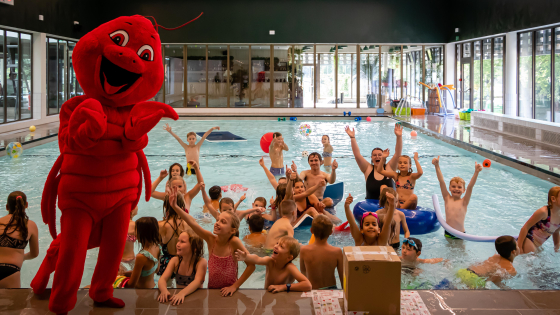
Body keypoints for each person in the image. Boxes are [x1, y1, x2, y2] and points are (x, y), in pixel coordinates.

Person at [168, 186, 256, 296]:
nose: (217, 223)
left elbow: (251, 266)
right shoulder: (211, 239)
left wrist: (234, 286)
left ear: (232, 230)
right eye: (217, 220)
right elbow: (192, 222)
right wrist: (175, 207)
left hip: (230, 292)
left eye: (223, 222)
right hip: (212, 289)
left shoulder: (234, 242)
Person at [235, 236, 312, 293]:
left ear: (289, 257)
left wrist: (283, 287)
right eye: (277, 243)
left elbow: (308, 285)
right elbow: (257, 259)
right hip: (267, 295)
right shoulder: (270, 262)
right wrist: (246, 257)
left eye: (281, 246)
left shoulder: (290, 268)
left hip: (284, 299)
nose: (275, 246)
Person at [345, 124, 403, 200]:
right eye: (374, 155)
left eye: (380, 155)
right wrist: (352, 138)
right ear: (371, 158)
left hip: (389, 206)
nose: (377, 157)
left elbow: (398, 154)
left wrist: (399, 137)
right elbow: (357, 155)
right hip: (370, 207)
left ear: (384, 156)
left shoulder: (390, 167)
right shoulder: (368, 169)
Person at [433, 156, 482, 240]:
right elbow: (441, 181)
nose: (456, 189)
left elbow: (470, 187)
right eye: (453, 186)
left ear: (463, 190)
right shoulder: (447, 198)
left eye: (459, 187)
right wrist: (437, 166)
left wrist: (476, 172)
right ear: (449, 188)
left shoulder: (464, 202)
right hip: (448, 232)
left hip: (460, 234)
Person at [0, 191, 39, 288]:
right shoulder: (30, 225)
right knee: (15, 302)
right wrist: (23, 257)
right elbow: (34, 254)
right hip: (11, 271)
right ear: (26, 205)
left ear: (7, 207)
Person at [157, 230, 207, 305]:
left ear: (194, 247)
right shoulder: (175, 261)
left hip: (196, 299)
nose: (177, 244)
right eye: (178, 241)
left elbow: (197, 282)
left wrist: (182, 293)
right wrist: (164, 290)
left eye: (182, 242)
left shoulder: (201, 262)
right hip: (178, 298)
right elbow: (162, 279)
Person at [300, 215, 343, 290]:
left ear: (311, 230)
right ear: (331, 232)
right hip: (332, 289)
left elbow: (303, 274)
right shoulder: (337, 251)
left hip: (313, 290)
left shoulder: (304, 250)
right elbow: (342, 276)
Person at [517, 186, 560, 254]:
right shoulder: (543, 212)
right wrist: (519, 247)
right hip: (529, 241)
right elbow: (525, 227)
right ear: (553, 198)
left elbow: (556, 232)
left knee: (542, 264)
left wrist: (556, 249)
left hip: (539, 245)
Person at [157, 193, 190, 279]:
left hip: (166, 263)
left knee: (166, 286)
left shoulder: (161, 225)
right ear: (182, 207)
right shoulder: (188, 224)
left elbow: (156, 244)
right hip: (183, 262)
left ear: (165, 207)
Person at [123, 217, 161, 289]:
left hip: (143, 293)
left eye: (136, 230)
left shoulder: (141, 256)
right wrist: (133, 273)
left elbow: (131, 285)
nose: (135, 233)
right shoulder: (158, 247)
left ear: (143, 232)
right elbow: (156, 270)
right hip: (154, 288)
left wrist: (120, 279)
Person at [120, 206, 138, 272]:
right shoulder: (134, 225)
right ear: (132, 211)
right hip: (131, 259)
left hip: (119, 261)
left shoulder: (117, 224)